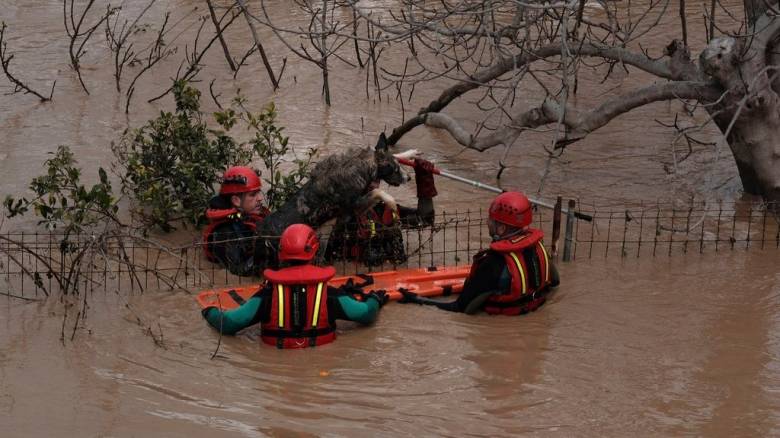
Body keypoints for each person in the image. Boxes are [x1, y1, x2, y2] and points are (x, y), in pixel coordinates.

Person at [202, 224, 388, 348]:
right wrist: (374, 299)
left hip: (276, 368)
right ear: (314, 252)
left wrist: (209, 311)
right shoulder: (331, 295)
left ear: (282, 253)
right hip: (319, 364)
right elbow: (366, 314)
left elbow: (227, 324)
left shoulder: (266, 296)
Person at [397, 191, 559, 315]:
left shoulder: (494, 262)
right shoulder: (538, 246)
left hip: (499, 329)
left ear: (501, 229)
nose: (487, 222)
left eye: (491, 219)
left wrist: (416, 299)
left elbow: (461, 308)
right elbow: (555, 282)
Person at [324, 157, 438, 266]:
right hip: (351, 276)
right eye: (367, 180)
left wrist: (424, 180)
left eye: (377, 179)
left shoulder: (387, 208)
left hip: (390, 275)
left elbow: (424, 220)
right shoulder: (339, 210)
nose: (373, 185)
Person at [202, 166, 271, 276]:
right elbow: (239, 270)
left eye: (258, 192)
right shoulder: (224, 232)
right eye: (253, 195)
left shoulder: (250, 215)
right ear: (236, 201)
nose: (260, 198)